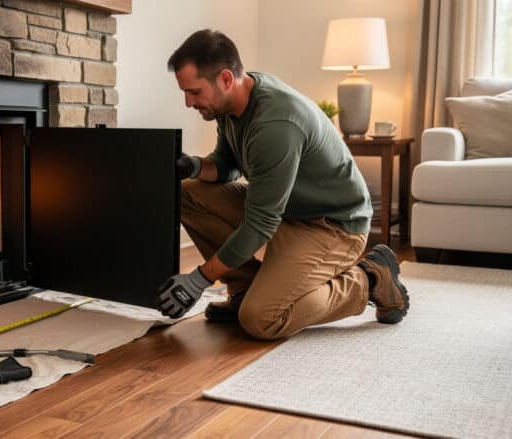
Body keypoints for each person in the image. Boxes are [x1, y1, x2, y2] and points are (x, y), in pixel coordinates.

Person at [155, 29, 409, 339]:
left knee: (261, 318)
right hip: (288, 211)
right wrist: (193, 166)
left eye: (194, 92)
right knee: (187, 194)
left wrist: (199, 279)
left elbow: (259, 225)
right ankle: (244, 289)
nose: (188, 102)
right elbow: (227, 166)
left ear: (225, 79)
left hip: (333, 227)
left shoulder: (275, 123)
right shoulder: (230, 103)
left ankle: (369, 279)